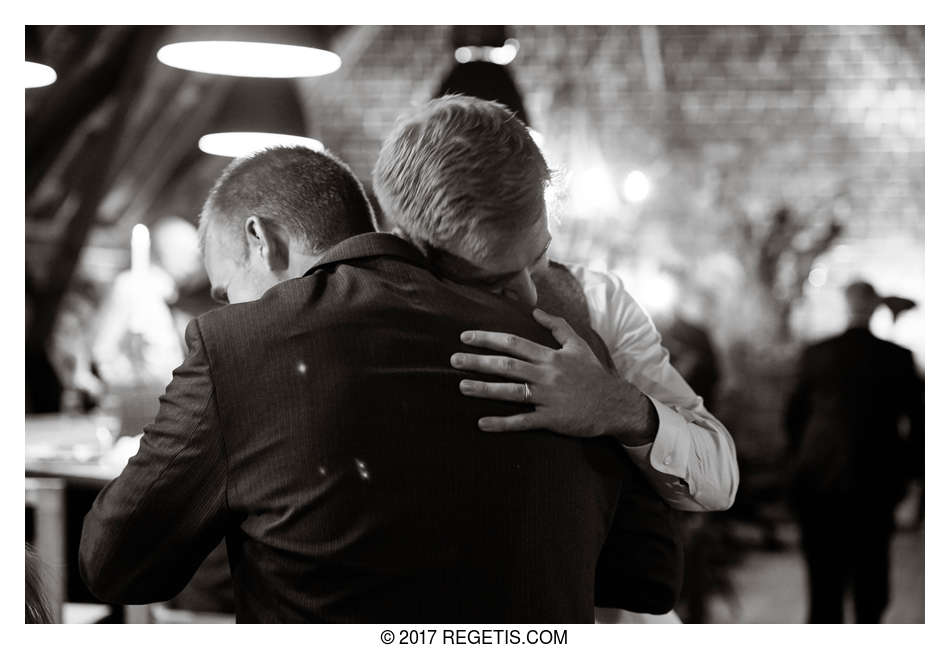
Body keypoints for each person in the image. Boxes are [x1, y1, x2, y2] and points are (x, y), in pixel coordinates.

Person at [79, 146, 645, 622]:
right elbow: (649, 571)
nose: (228, 307)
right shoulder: (568, 349)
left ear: (261, 239)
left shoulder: (239, 346)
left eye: (227, 289)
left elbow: (113, 561)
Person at [372, 95, 738, 515]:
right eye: (493, 281)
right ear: (417, 251)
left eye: (539, 254)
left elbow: (720, 481)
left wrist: (621, 407)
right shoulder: (371, 324)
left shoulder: (600, 301)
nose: (528, 294)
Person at [785, 279, 923, 623]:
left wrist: (796, 464)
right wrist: (914, 483)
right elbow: (921, 427)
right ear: (875, 308)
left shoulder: (815, 355)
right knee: (870, 587)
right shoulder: (898, 358)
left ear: (845, 306)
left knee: (823, 590)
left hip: (818, 483)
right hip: (875, 485)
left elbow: (793, 420)